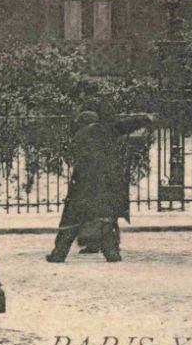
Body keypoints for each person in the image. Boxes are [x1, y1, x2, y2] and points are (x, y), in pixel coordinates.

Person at [48, 106, 154, 263]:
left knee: (71, 219)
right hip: (104, 181)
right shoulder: (99, 131)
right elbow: (123, 126)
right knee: (104, 218)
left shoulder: (78, 136)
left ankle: (59, 253)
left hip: (82, 181)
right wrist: (145, 119)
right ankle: (112, 252)